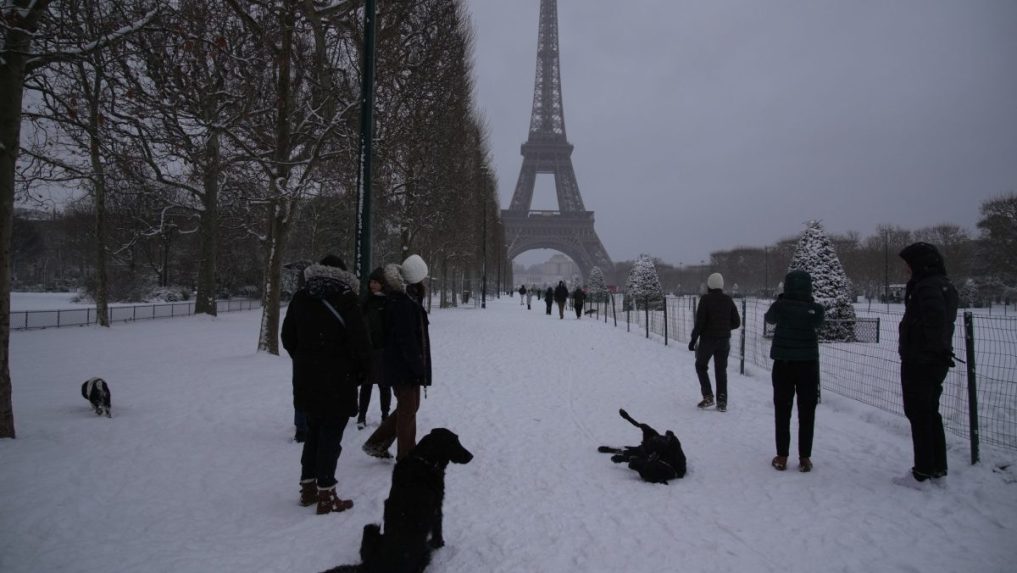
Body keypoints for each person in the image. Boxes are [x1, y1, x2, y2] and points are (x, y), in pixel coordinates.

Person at [281, 254, 371, 514]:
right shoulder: (346, 299)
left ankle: (307, 488)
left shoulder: (301, 297)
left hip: (307, 378)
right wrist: (360, 372)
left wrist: (305, 359)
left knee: (313, 433)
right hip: (338, 379)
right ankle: (326, 494)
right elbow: (360, 342)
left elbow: (288, 337)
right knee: (331, 437)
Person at [894, 242, 958, 488]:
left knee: (919, 414)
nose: (906, 270)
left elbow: (935, 319)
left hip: (921, 360)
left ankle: (922, 470)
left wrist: (926, 349)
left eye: (908, 265)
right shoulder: (942, 284)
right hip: (933, 360)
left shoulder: (926, 287)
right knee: (930, 412)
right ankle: (937, 466)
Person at [363, 254, 432, 461]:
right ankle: (406, 457)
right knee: (408, 411)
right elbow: (406, 339)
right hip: (404, 366)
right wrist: (417, 365)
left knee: (409, 407)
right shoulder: (403, 301)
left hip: (403, 364)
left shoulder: (407, 298)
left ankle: (376, 443)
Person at [764, 270, 825, 473]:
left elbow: (769, 319)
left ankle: (782, 456)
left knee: (783, 409)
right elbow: (818, 323)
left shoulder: (780, 306)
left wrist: (783, 299)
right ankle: (805, 457)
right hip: (808, 364)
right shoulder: (815, 309)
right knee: (807, 411)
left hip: (783, 364)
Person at [687, 273, 741, 411]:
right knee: (721, 370)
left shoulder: (705, 300)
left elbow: (699, 323)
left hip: (708, 340)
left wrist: (693, 340)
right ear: (721, 285)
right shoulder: (728, 300)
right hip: (724, 341)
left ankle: (708, 396)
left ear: (709, 285)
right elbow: (737, 322)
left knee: (701, 366)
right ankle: (722, 400)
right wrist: (724, 327)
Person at [357, 267, 392, 431]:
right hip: (369, 349)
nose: (373, 285)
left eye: (376, 282)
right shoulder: (365, 300)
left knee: (384, 385)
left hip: (384, 349)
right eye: (371, 282)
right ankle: (361, 416)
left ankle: (385, 415)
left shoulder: (388, 301)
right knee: (367, 385)